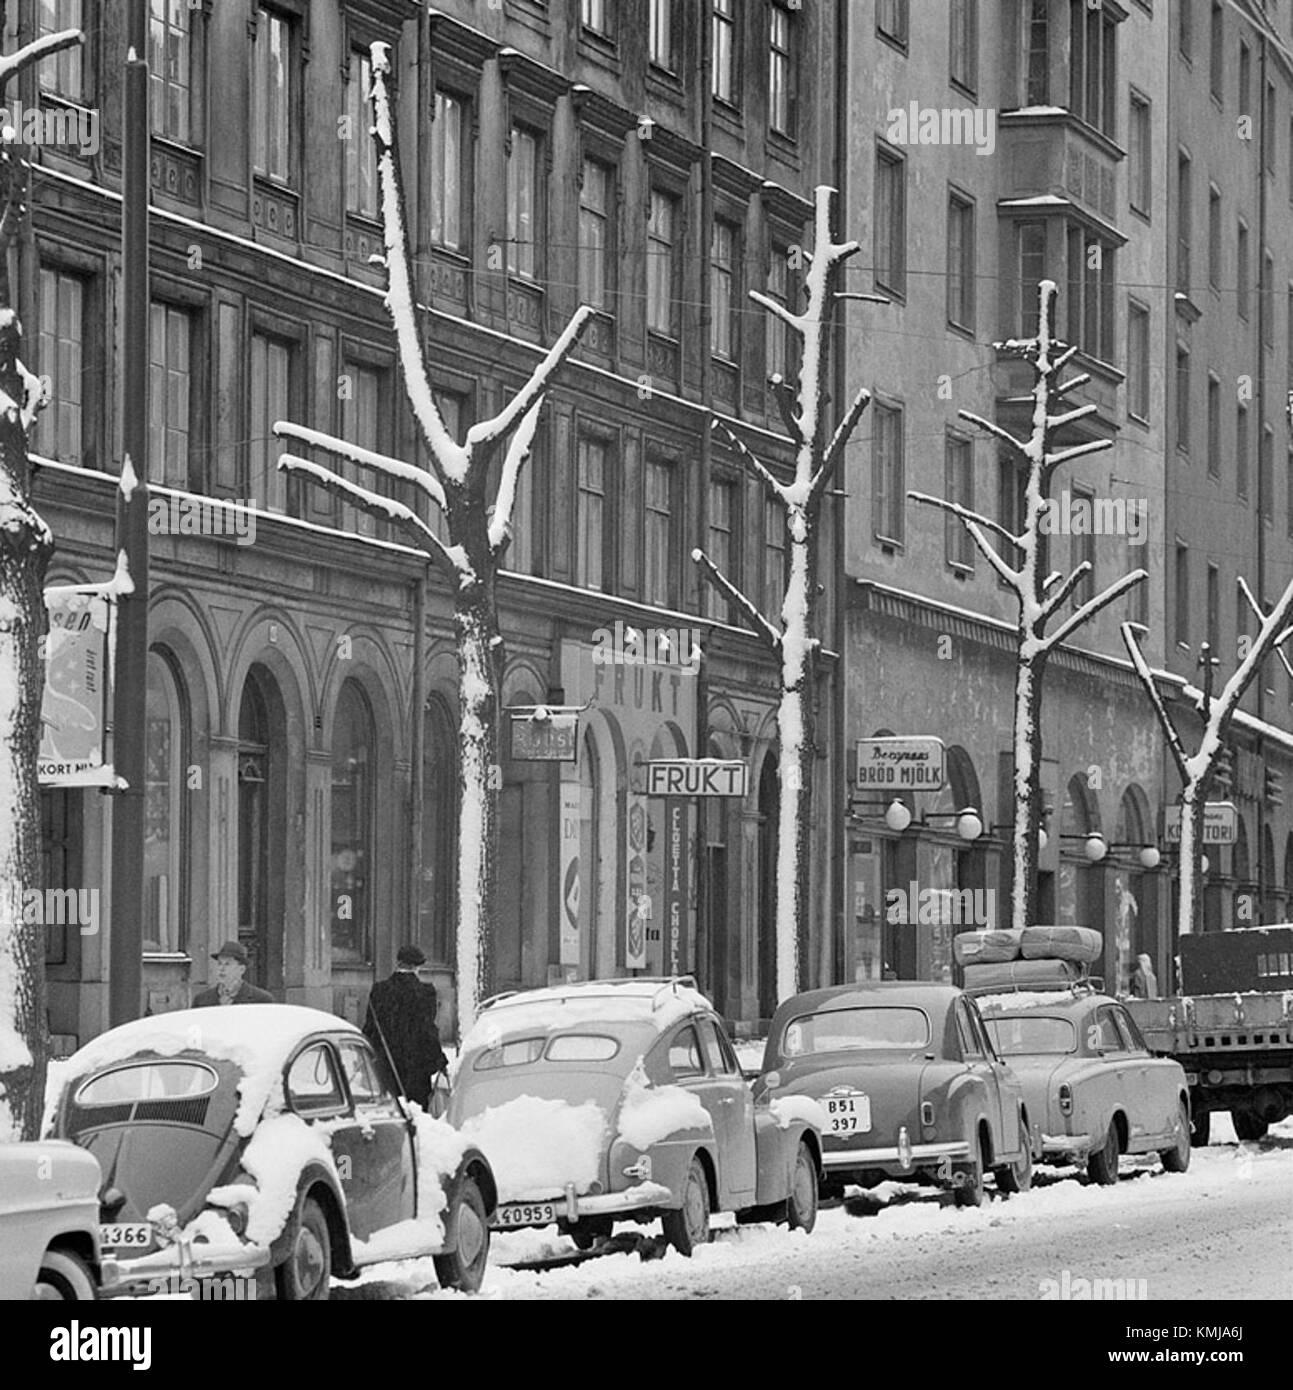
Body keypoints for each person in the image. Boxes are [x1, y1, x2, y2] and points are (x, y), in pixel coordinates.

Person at [363, 944, 447, 1108]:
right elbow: (427, 1030)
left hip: (386, 1066)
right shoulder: (425, 993)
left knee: (389, 1111)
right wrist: (439, 1060)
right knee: (416, 1114)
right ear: (417, 967)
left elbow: (370, 1028)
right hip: (415, 1068)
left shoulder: (380, 990)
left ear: (398, 963)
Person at [192, 941, 275, 1007]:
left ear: (241, 969)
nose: (222, 968)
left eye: (227, 964)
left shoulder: (261, 1000)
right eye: (220, 963)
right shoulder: (202, 1001)